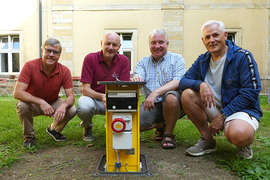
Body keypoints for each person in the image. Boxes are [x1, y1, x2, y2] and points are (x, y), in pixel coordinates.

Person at [179, 20, 262, 159]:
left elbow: (250, 93)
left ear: (225, 35)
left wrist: (222, 115)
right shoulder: (203, 60)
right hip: (215, 106)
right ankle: (208, 140)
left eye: (216, 35)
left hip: (241, 110)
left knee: (238, 134)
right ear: (203, 40)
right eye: (207, 37)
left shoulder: (242, 56)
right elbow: (183, 81)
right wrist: (201, 84)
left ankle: (244, 143)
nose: (212, 40)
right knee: (187, 94)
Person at [14, 37, 76, 148]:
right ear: (42, 51)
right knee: (22, 105)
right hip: (33, 103)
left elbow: (71, 96)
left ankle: (54, 129)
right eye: (48, 51)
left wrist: (64, 105)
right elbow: (17, 93)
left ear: (59, 55)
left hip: (52, 102)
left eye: (55, 52)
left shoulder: (65, 71)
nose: (51, 55)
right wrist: (40, 101)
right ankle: (29, 137)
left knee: (71, 109)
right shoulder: (30, 66)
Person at [132, 29, 186, 149]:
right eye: (153, 43)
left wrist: (155, 92)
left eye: (161, 42)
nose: (157, 46)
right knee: (133, 125)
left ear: (167, 44)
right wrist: (137, 79)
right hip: (152, 105)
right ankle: (160, 125)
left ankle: (168, 134)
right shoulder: (142, 62)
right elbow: (139, 77)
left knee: (171, 96)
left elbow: (178, 82)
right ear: (149, 44)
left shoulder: (177, 59)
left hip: (173, 103)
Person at [77, 32, 130, 141]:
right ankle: (87, 126)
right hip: (94, 98)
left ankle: (115, 125)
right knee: (84, 106)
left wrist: (113, 98)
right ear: (101, 43)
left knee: (129, 102)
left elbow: (124, 87)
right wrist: (102, 97)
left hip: (114, 98)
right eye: (107, 44)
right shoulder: (90, 58)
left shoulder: (124, 60)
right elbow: (85, 89)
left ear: (119, 47)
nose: (111, 47)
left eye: (114, 45)